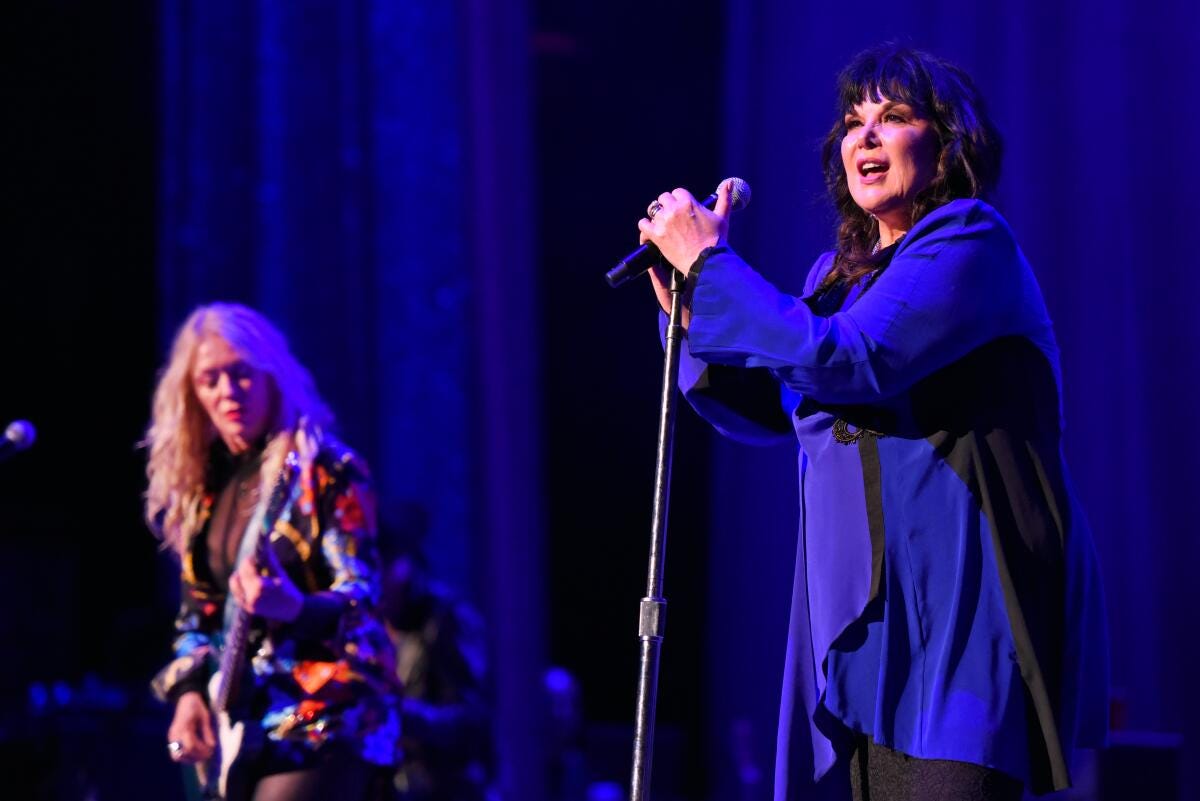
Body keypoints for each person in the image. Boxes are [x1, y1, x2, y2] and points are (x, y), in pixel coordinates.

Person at [635, 44, 1109, 800]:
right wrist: (695, 315)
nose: (865, 137)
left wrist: (718, 265)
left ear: (947, 142)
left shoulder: (969, 241)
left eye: (893, 117)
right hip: (860, 622)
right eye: (854, 122)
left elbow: (854, 360)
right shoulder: (833, 280)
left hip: (956, 609)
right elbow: (775, 402)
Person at [144, 302, 401, 801]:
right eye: (209, 381)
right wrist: (189, 692)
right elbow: (197, 618)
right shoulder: (204, 494)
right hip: (244, 724)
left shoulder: (323, 469)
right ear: (191, 395)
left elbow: (362, 593)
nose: (226, 393)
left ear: (271, 378)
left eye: (241, 375)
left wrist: (297, 608)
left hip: (328, 712)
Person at [376, 501, 495, 801]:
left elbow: (472, 720)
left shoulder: (447, 618)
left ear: (406, 563)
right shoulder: (370, 625)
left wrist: (395, 713)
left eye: (384, 566)